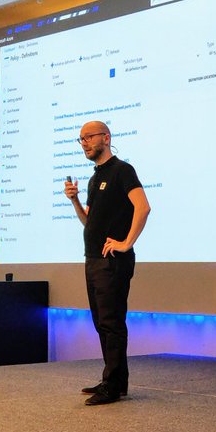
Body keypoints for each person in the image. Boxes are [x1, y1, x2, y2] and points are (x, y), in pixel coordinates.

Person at [63, 121, 151, 405]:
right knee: (102, 322)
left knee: (111, 323)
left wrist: (126, 242)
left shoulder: (122, 170)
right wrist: (75, 201)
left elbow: (143, 207)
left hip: (112, 261)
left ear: (106, 137)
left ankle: (112, 386)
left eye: (89, 137)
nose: (84, 143)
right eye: (81, 139)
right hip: (93, 259)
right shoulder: (95, 178)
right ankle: (115, 381)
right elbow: (89, 221)